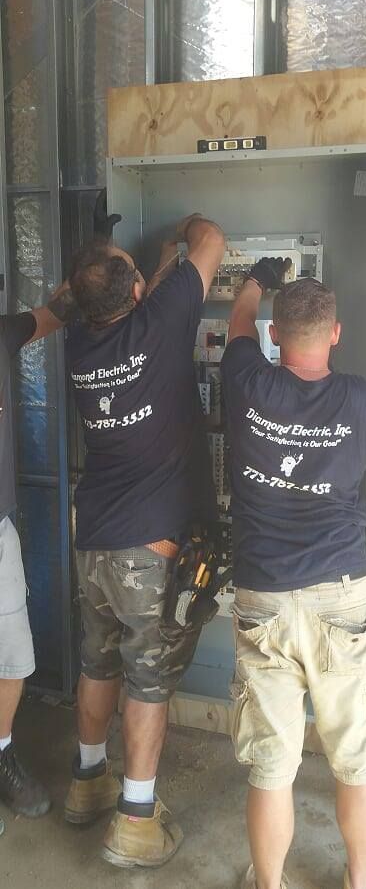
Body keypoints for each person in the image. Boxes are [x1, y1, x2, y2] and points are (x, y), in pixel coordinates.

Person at [220, 259, 366, 889]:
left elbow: (237, 322)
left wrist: (256, 283)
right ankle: (359, 881)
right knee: (358, 759)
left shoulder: (245, 380)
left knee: (271, 765)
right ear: (337, 334)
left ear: (274, 333)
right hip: (342, 596)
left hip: (262, 594)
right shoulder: (359, 398)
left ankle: (269, 884)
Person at [63, 213, 225, 869]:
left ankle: (86, 781)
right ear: (136, 296)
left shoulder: (78, 342)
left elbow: (139, 295)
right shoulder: (160, 322)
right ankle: (134, 820)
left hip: (94, 536)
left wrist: (155, 262)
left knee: (98, 663)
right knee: (148, 679)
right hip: (147, 547)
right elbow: (211, 239)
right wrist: (184, 229)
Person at [0, 283, 77, 827]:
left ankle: (0, 750)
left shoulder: (2, 333)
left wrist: (91, 280)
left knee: (13, 661)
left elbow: (52, 315)